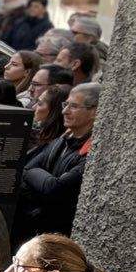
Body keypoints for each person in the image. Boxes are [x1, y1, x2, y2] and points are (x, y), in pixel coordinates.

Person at [14, 82, 95, 242]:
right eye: (66, 104)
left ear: (94, 111)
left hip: (59, 236)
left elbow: (54, 189)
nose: (64, 111)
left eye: (74, 106)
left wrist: (35, 177)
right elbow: (25, 168)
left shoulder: (91, 153)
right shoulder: (62, 140)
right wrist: (41, 180)